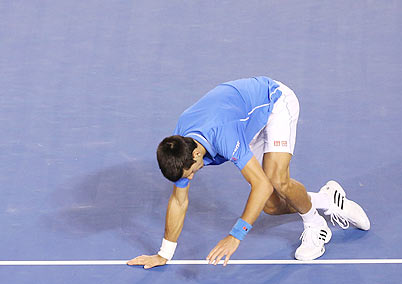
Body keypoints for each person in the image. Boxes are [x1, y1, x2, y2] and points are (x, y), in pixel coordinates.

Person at [127, 76, 369, 269]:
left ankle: (315, 224)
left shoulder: (222, 136)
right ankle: (328, 200)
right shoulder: (181, 147)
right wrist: (163, 254)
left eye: (190, 173)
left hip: (273, 103)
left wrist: (235, 236)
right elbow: (179, 201)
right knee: (271, 206)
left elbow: (261, 186)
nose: (190, 178)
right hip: (245, 123)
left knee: (276, 181)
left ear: (196, 154)